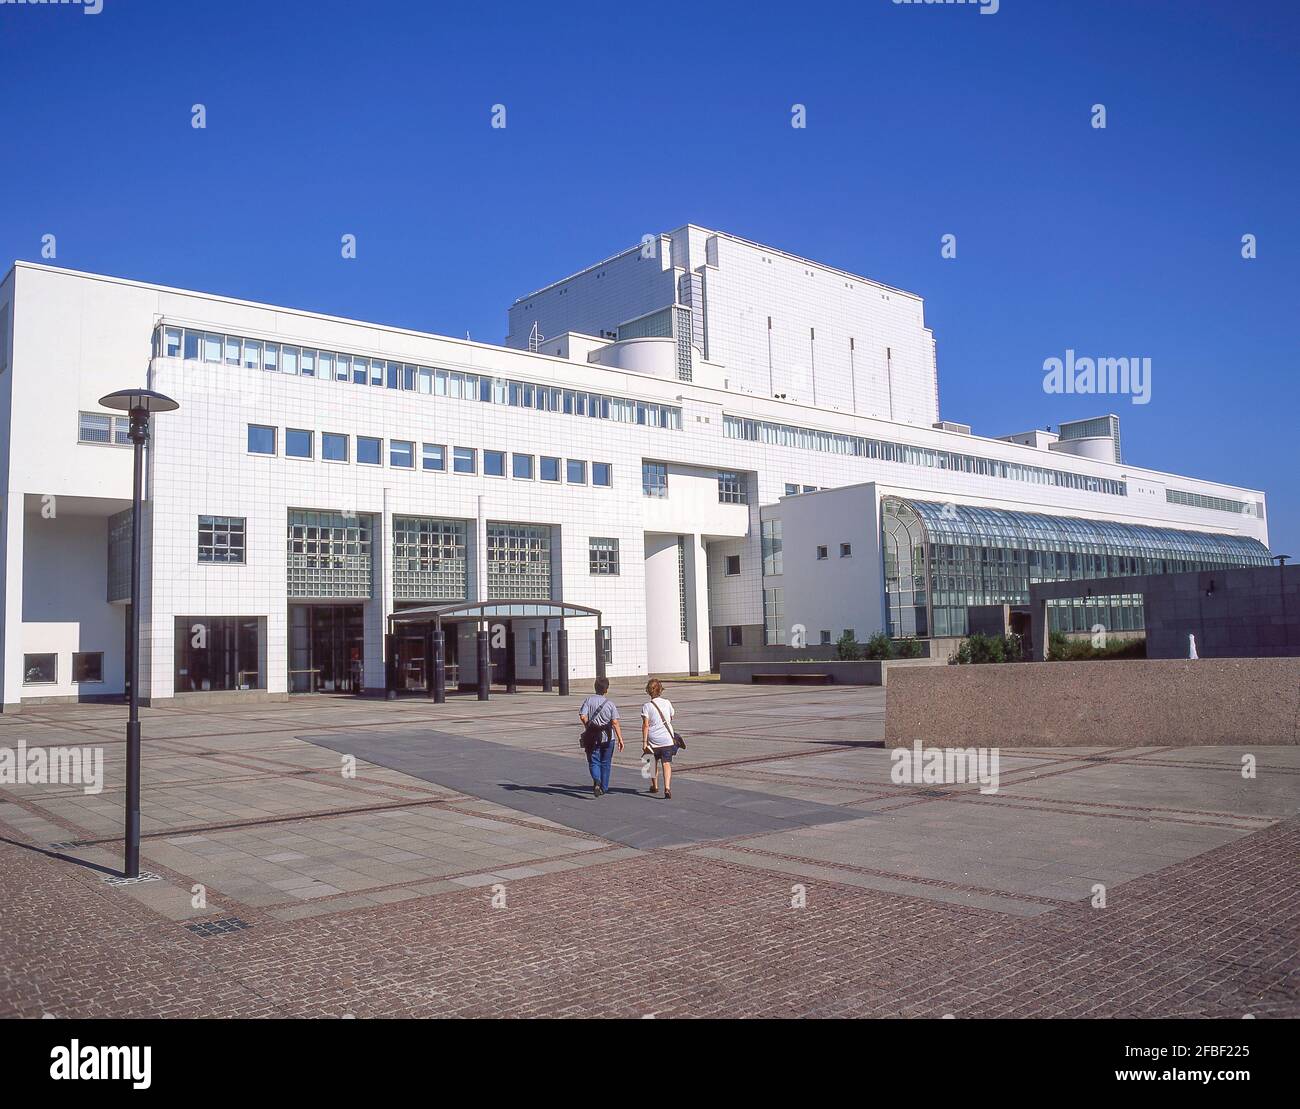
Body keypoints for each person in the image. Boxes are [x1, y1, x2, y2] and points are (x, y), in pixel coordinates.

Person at [578, 677, 623, 797]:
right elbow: (615, 722)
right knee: (606, 762)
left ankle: (596, 780)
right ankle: (604, 787)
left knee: (594, 761)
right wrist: (620, 739)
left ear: (595, 687)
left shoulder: (588, 700)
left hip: (592, 736)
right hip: (608, 737)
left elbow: (582, 716)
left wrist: (589, 726)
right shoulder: (610, 704)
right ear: (606, 690)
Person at [640, 678, 678, 799]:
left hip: (653, 740)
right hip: (667, 739)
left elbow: (646, 725)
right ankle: (667, 788)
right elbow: (671, 717)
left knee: (652, 762)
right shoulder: (667, 702)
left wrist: (644, 742)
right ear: (660, 690)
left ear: (648, 691)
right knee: (666, 763)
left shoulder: (646, 706)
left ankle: (655, 785)